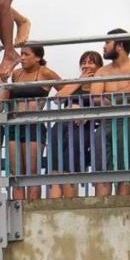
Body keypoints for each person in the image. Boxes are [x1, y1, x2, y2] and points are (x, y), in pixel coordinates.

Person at [92, 28, 130, 196]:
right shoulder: (102, 71)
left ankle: (124, 209)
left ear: (119, 45)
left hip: (128, 121)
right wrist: (117, 98)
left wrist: (107, 97)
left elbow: (129, 92)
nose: (103, 47)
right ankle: (101, 210)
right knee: (101, 169)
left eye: (107, 43)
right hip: (105, 122)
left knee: (126, 168)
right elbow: (95, 98)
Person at [49, 51, 103, 198]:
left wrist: (83, 111)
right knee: (55, 169)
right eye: (83, 62)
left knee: (70, 168)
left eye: (91, 62)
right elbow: (57, 99)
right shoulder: (74, 85)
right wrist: (78, 82)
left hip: (81, 130)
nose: (87, 66)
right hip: (61, 127)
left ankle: (69, 202)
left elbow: (100, 104)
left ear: (99, 66)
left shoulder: (98, 85)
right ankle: (53, 205)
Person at [8, 45, 59, 200]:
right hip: (14, 124)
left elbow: (66, 86)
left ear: (37, 57)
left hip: (34, 125)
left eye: (26, 54)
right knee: (16, 173)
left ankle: (31, 209)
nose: (21, 57)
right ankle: (16, 209)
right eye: (21, 54)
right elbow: (6, 95)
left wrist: (58, 97)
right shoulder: (16, 74)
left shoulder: (45, 72)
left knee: (32, 172)